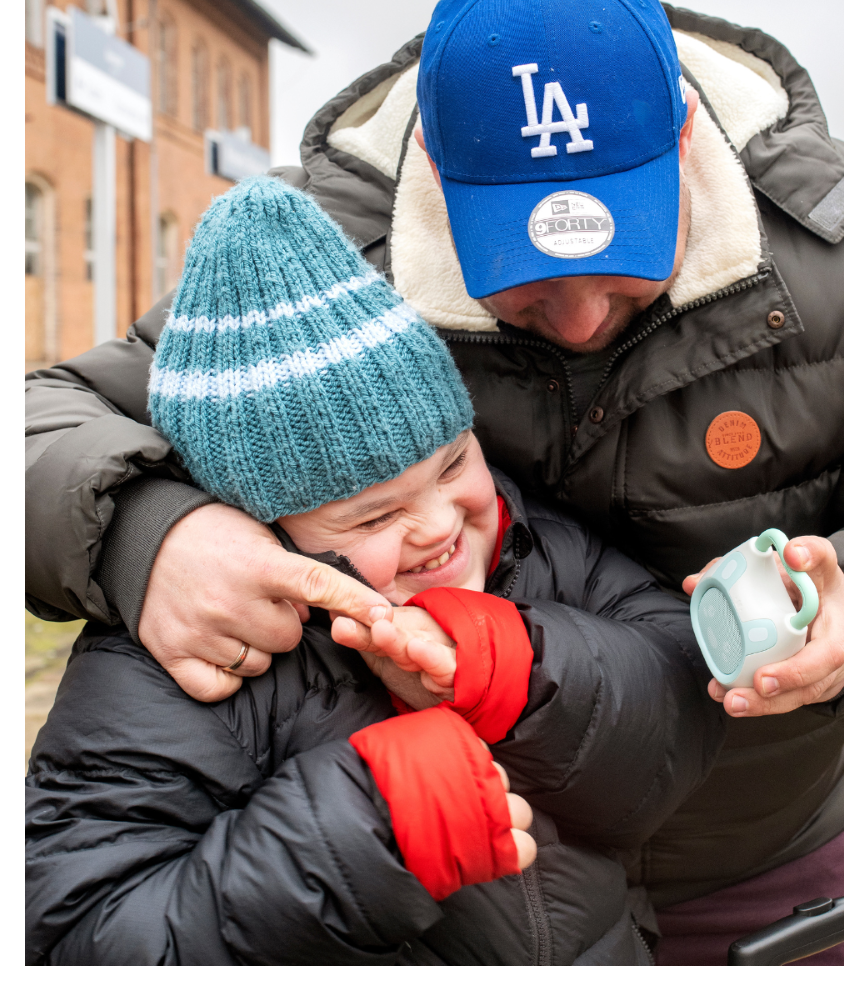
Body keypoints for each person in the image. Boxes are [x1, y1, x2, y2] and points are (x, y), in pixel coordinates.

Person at [25, 0, 844, 965]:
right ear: (434, 173)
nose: (582, 320)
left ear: (680, 136)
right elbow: (44, 419)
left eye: (621, 261)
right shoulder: (311, 266)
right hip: (452, 903)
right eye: (529, 283)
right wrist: (151, 535)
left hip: (775, 847)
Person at [26, 177, 724, 966]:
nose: (438, 525)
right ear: (261, 526)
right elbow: (78, 932)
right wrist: (360, 836)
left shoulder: (534, 544)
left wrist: (529, 674)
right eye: (372, 516)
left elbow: (676, 705)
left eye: (454, 461)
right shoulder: (180, 666)